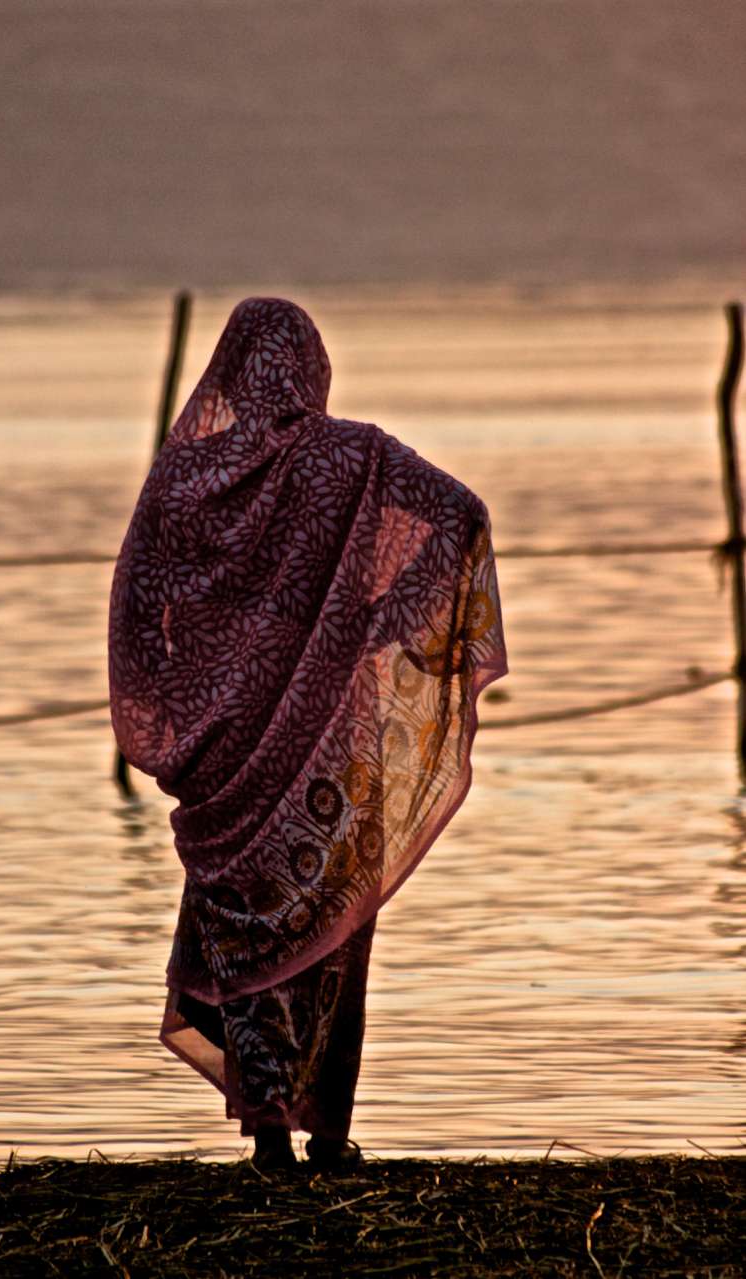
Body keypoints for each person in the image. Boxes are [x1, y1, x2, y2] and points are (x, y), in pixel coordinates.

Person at [108, 297, 507, 1174]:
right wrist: (377, 620)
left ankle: (268, 1133)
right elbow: (460, 516)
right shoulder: (352, 458)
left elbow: (138, 602)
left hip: (222, 747)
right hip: (333, 747)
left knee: (247, 925)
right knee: (330, 932)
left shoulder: (181, 484)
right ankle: (325, 1131)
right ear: (311, 369)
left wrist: (177, 704)